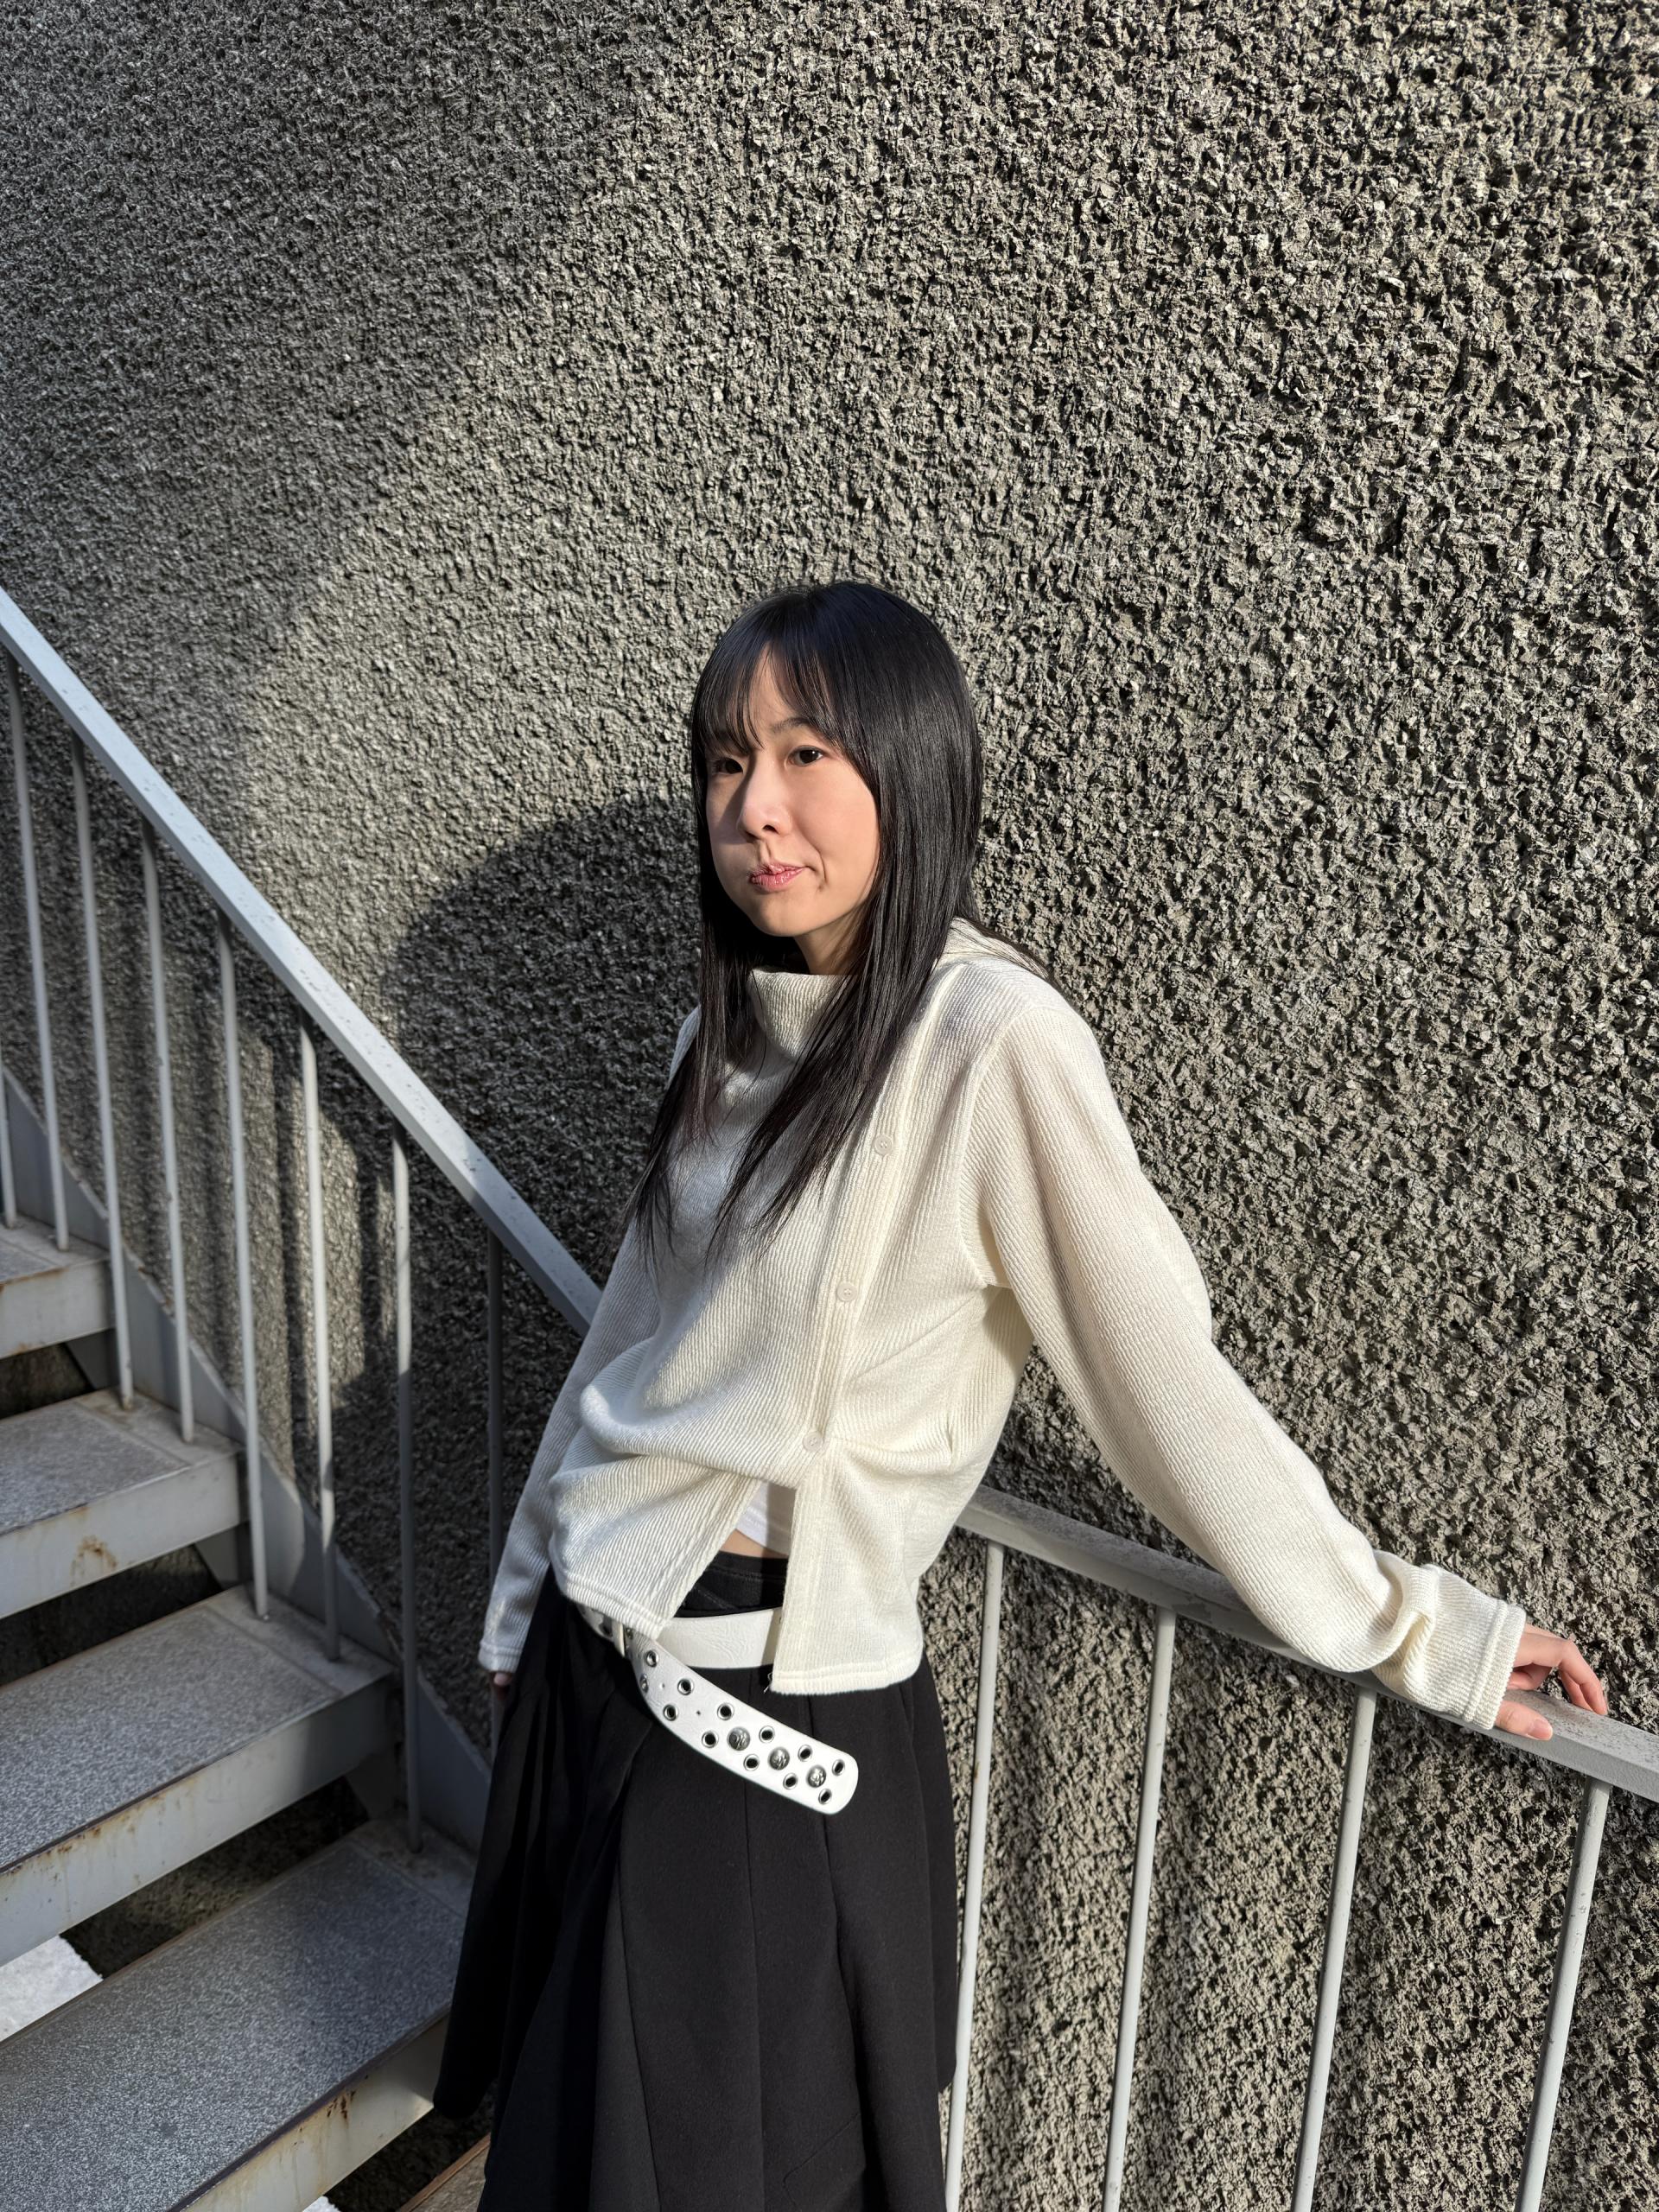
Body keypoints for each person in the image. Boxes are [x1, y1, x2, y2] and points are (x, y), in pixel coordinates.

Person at [430, 579, 1608, 2209]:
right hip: (594, 1661)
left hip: (761, 1726)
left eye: (806, 753)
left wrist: (1427, 1634)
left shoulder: (988, 1043)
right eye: (724, 760)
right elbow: (629, 1340)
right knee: (579, 2152)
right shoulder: (720, 1034)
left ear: (910, 768)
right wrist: (515, 1606)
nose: (755, 806)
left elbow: (1166, 1390)